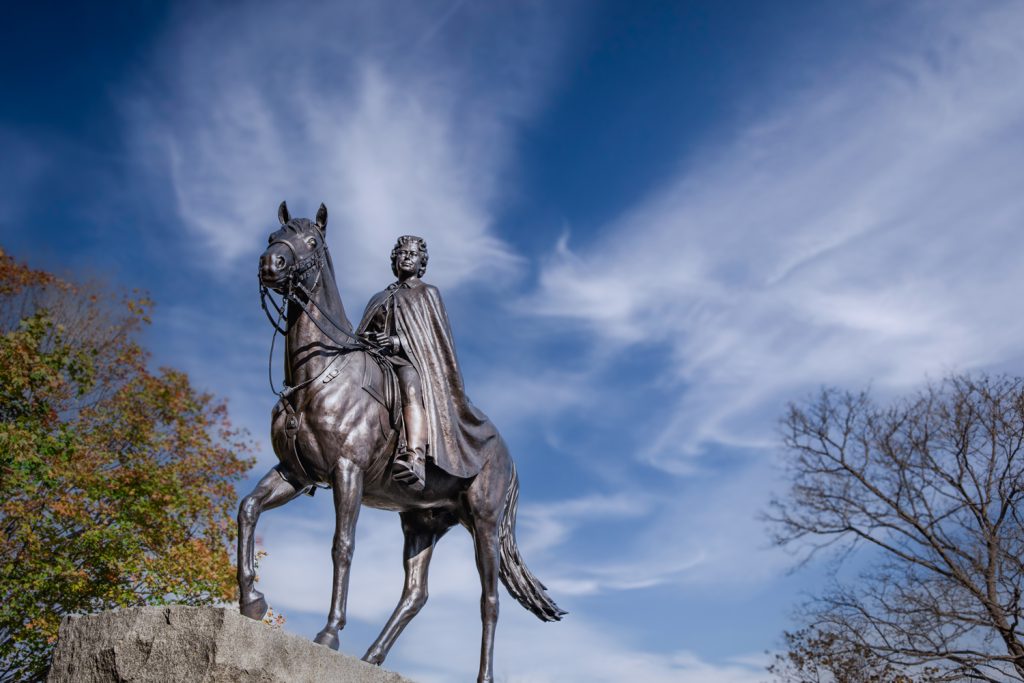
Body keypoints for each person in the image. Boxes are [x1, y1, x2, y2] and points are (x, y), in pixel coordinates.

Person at [357, 235, 499, 490]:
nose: (407, 257)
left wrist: (396, 342)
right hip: (375, 358)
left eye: (413, 254)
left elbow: (431, 340)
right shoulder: (379, 297)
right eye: (402, 253)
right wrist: (369, 339)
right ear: (395, 259)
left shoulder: (427, 293)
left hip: (407, 360)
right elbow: (362, 334)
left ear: (421, 263)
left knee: (410, 387)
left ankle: (415, 457)